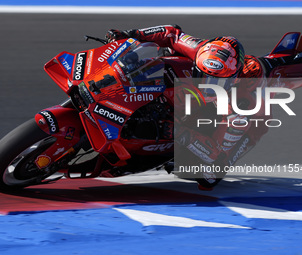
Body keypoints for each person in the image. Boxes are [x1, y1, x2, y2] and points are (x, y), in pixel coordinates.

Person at [105, 25, 268, 190]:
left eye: (217, 82)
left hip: (244, 122)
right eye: (202, 76)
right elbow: (172, 34)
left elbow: (215, 153)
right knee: (167, 54)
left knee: (208, 176)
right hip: (199, 96)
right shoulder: (200, 50)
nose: (207, 85)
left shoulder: (240, 105)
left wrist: (179, 132)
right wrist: (132, 34)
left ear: (234, 79)